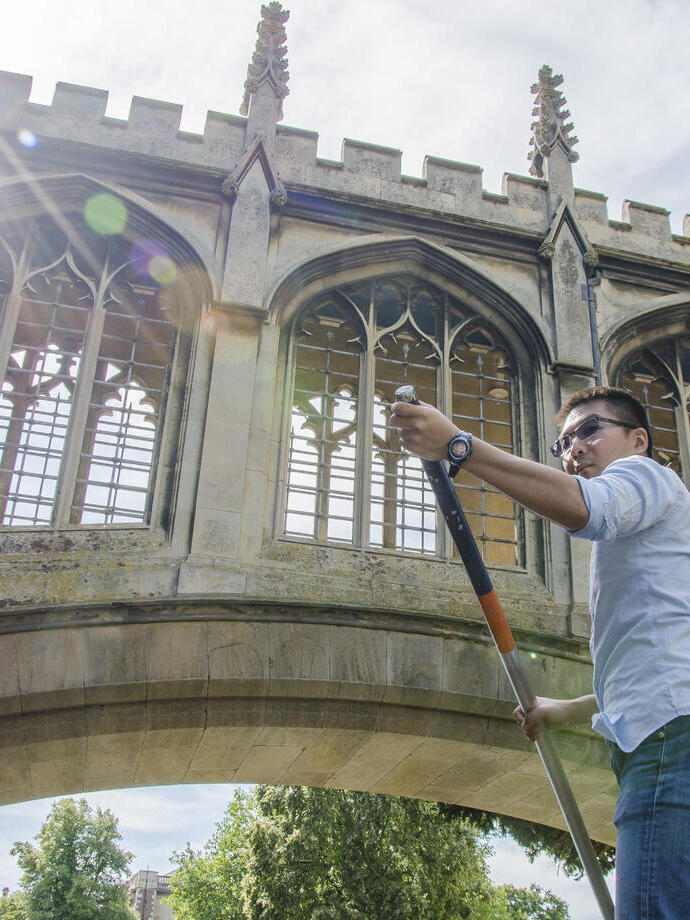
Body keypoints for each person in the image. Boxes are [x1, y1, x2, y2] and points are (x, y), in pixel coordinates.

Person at [390, 385, 690, 919]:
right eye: (564, 442)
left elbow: (582, 508)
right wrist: (568, 711)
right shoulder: (656, 545)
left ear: (638, 439)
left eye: (591, 429)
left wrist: (459, 446)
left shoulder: (645, 477)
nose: (575, 447)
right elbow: (659, 664)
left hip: (667, 746)